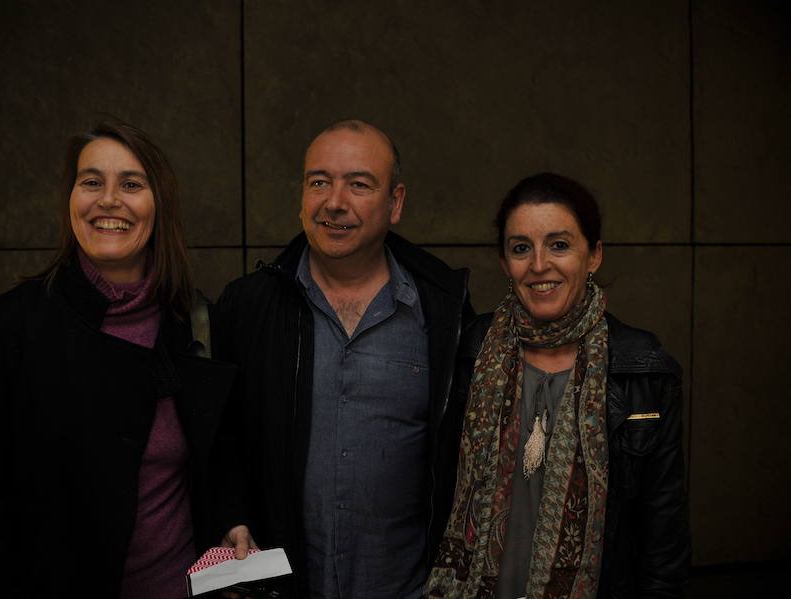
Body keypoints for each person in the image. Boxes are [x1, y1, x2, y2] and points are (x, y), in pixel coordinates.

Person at [0, 120, 240, 598]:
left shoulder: (198, 323)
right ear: (71, 200)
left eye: (131, 184)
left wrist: (233, 522)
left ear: (159, 203)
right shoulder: (9, 327)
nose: (108, 200)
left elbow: (220, 467)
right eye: (91, 182)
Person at [212, 119, 474, 598]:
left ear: (395, 203)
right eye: (319, 182)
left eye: (358, 184)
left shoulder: (443, 314)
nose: (334, 202)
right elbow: (222, 440)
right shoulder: (247, 307)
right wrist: (231, 517)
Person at [425, 173, 691, 598]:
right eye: (520, 248)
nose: (538, 265)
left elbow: (663, 530)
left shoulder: (641, 369)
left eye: (559, 245)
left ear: (594, 255)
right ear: (504, 262)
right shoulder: (466, 352)